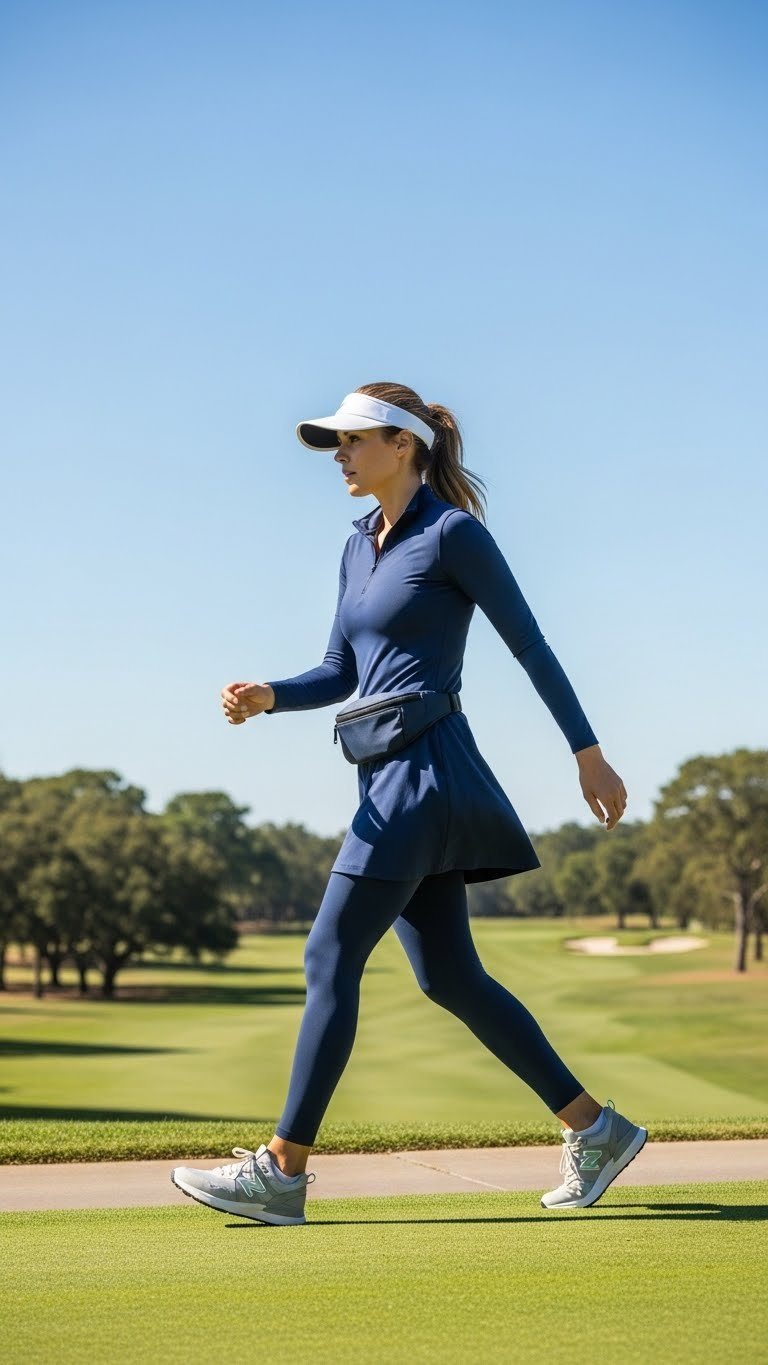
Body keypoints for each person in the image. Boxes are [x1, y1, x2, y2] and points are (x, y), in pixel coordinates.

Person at [171, 382, 647, 1224]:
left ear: (405, 445)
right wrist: (269, 695)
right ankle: (594, 1127)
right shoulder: (358, 546)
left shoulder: (454, 534)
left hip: (425, 779)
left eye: (354, 442)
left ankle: (282, 1168)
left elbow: (530, 645)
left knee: (328, 956)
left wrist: (589, 754)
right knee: (450, 974)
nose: (341, 457)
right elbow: (340, 669)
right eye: (336, 445)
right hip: (386, 775)